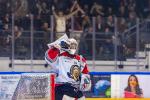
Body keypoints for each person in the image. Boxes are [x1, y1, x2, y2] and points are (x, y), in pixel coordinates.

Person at [45, 34, 91, 100]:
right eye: (71, 45)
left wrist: (85, 82)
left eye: (74, 46)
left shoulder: (80, 59)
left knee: (81, 98)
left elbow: (85, 74)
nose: (73, 47)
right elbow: (49, 57)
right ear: (67, 45)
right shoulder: (60, 56)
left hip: (75, 88)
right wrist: (55, 48)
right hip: (61, 87)